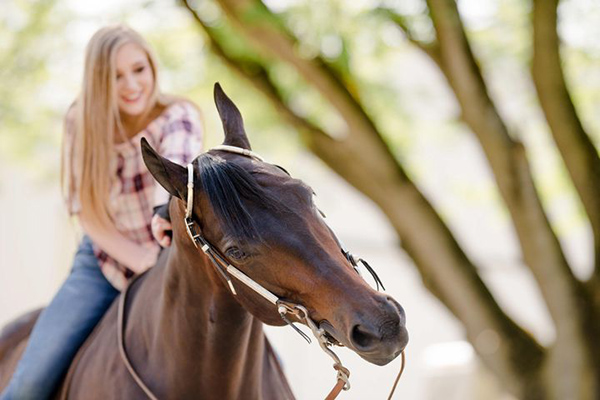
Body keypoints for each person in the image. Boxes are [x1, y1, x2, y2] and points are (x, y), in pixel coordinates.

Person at [0, 24, 203, 400]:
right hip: (103, 261)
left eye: (138, 70)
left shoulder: (179, 114)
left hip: (172, 258)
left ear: (152, 68)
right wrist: (142, 260)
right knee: (29, 383)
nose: (131, 85)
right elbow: (88, 213)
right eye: (115, 76)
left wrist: (162, 240)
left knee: (249, 359)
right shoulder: (82, 122)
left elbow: (176, 181)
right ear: (98, 82)